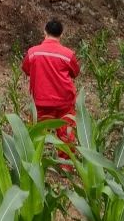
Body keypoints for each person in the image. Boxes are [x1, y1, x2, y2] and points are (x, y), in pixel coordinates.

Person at [22, 20, 80, 154]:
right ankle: (66, 167)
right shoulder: (68, 54)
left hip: (41, 102)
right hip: (64, 102)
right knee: (66, 134)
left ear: (45, 32)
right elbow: (75, 72)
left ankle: (35, 163)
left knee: (37, 134)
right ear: (61, 34)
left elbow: (26, 69)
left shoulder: (33, 53)